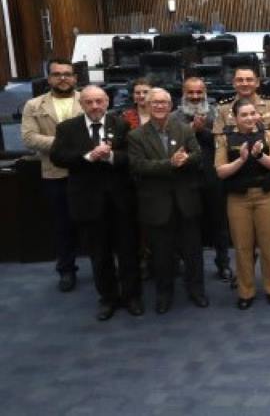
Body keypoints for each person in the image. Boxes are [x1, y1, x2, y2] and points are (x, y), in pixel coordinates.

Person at [49, 85, 140, 320]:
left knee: (128, 252)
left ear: (107, 101)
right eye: (89, 102)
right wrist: (87, 157)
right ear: (82, 104)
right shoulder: (67, 128)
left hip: (120, 202)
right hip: (88, 203)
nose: (95, 106)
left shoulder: (121, 124)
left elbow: (132, 157)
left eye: (99, 101)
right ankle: (108, 298)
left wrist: (110, 156)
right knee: (99, 255)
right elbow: (57, 157)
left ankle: (131, 296)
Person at [128, 88, 207, 313]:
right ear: (146, 105)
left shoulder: (184, 129)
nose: (160, 106)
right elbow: (137, 166)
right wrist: (170, 164)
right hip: (157, 205)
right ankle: (164, 294)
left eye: (164, 103)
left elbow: (199, 155)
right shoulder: (136, 136)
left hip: (186, 202)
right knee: (161, 255)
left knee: (193, 253)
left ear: (171, 105)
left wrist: (186, 159)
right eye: (155, 103)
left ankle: (196, 290)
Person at [213, 64, 270, 284]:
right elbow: (220, 141)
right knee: (242, 236)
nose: (244, 84)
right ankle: (245, 274)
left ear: (257, 82)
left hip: (267, 173)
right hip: (237, 178)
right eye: (240, 80)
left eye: (249, 80)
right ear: (234, 82)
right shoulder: (224, 108)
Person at [215, 100, 270, 309]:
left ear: (258, 115)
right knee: (242, 247)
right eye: (244, 115)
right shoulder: (224, 138)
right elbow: (220, 171)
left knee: (268, 246)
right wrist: (241, 160)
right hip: (238, 199)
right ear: (235, 117)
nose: (249, 118)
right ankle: (246, 291)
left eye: (252, 113)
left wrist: (259, 156)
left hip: (266, 196)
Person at [21, 58, 82, 291]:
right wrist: (65, 142)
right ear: (49, 79)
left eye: (67, 74)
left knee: (93, 222)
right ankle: (66, 270)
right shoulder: (34, 105)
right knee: (62, 225)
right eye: (57, 74)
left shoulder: (87, 99)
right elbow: (29, 138)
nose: (63, 78)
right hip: (55, 173)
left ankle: (102, 267)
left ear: (75, 78)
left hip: (87, 172)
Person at [180, 76, 231, 282]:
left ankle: (223, 264)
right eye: (190, 93)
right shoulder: (174, 117)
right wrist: (191, 131)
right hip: (185, 179)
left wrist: (203, 131)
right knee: (189, 226)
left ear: (205, 93)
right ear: (184, 94)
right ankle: (193, 268)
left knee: (219, 224)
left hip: (213, 177)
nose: (195, 96)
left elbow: (224, 141)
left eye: (199, 92)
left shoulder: (217, 114)